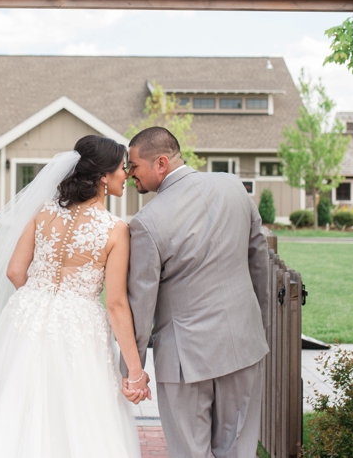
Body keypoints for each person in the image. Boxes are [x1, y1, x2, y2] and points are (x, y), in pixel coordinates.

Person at [0, 135, 147, 458]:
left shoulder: (42, 213)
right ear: (104, 176)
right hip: (78, 324)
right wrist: (135, 373)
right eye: (122, 168)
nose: (126, 174)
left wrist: (39, 301)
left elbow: (14, 271)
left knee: (10, 401)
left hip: (27, 313)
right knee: (76, 411)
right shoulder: (115, 229)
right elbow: (116, 304)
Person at [124, 127, 270, 458]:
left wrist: (133, 370)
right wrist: (256, 325)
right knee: (238, 449)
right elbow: (259, 260)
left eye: (133, 166)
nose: (129, 173)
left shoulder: (146, 222)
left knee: (189, 451)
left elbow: (141, 305)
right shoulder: (233, 186)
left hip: (184, 359)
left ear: (160, 163)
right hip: (242, 344)